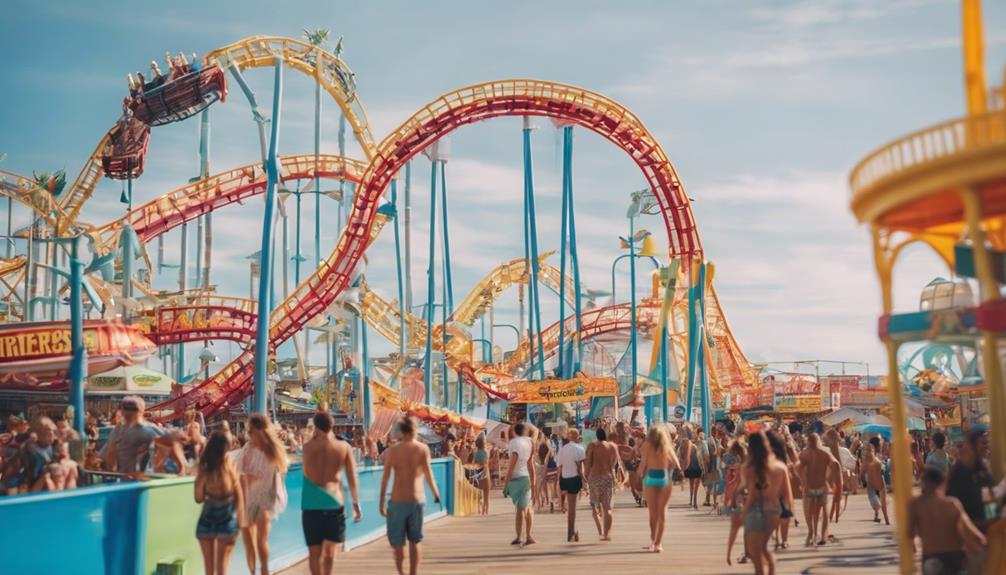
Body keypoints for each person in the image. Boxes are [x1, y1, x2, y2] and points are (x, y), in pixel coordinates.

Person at [379, 417, 442, 575]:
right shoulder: (422, 449)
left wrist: (381, 503)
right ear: (414, 430)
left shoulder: (392, 451)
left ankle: (401, 572)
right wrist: (436, 493)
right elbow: (428, 474)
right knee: (415, 540)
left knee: (398, 543)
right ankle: (413, 573)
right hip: (416, 499)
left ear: (402, 431)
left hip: (397, 501)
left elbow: (385, 478)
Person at [301, 412, 361, 575]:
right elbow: (352, 478)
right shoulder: (344, 447)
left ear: (316, 427)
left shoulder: (308, 448)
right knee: (330, 553)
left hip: (311, 504)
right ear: (332, 425)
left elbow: (306, 473)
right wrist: (356, 505)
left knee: (314, 554)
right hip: (334, 502)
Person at [909, 465, 986, 575]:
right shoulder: (952, 503)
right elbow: (967, 527)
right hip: (955, 556)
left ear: (924, 482)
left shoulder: (916, 504)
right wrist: (982, 539)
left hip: (931, 557)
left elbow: (910, 532)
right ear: (943, 482)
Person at [238, 414, 289, 575]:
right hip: (249, 496)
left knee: (261, 539)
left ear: (260, 430)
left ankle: (265, 570)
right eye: (249, 431)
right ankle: (253, 571)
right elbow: (241, 474)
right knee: (248, 539)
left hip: (267, 496)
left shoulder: (272, 448)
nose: (249, 434)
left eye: (251, 431)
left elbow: (283, 470)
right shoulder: (248, 448)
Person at [742, 431, 793, 575]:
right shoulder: (780, 467)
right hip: (773, 510)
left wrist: (744, 514)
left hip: (755, 510)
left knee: (754, 551)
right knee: (763, 547)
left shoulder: (749, 468)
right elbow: (787, 495)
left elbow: (752, 496)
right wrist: (788, 515)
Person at [195, 431, 244, 575]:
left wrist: (203, 479)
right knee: (223, 569)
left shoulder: (204, 469)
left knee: (209, 570)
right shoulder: (230, 467)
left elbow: (198, 498)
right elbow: (239, 498)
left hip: (207, 518)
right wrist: (240, 522)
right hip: (228, 518)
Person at [946, 429, 994, 575]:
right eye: (983, 443)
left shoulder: (984, 469)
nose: (986, 446)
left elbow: (990, 499)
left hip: (986, 535)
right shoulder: (958, 471)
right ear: (971, 445)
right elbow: (951, 506)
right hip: (966, 540)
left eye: (987, 443)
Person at [102, 396, 184, 476]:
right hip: (125, 479)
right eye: (126, 409)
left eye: (132, 409)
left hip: (134, 479)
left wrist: (180, 467)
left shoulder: (146, 428)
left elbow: (172, 441)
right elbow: (110, 453)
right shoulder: (118, 429)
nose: (128, 412)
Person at [638, 424, 680, 553]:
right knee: (662, 513)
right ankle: (658, 543)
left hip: (650, 478)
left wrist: (637, 480)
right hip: (664, 479)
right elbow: (676, 464)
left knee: (653, 513)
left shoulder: (646, 446)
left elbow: (642, 466)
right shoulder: (667, 447)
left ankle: (653, 540)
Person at [796, 432, 838, 546]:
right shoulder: (824, 453)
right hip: (819, 486)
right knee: (819, 511)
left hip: (813, 486)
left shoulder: (806, 453)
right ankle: (815, 533)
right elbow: (834, 465)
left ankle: (815, 533)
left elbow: (798, 468)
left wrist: (803, 482)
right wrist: (831, 480)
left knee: (811, 512)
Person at [584, 426, 622, 541]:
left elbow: (588, 464)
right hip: (607, 477)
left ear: (597, 436)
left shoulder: (592, 447)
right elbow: (615, 463)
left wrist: (585, 478)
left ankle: (601, 530)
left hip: (594, 478)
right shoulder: (613, 447)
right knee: (607, 507)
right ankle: (607, 534)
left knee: (595, 506)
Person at [502, 422, 536, 546]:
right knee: (525, 508)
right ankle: (528, 536)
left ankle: (520, 537)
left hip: (515, 479)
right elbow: (531, 464)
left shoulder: (513, 443)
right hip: (526, 477)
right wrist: (534, 483)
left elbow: (511, 466)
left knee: (520, 508)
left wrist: (505, 485)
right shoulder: (530, 442)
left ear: (515, 432)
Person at [556, 428, 586, 542]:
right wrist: (585, 481)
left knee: (571, 506)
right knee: (573, 508)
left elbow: (560, 465)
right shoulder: (580, 448)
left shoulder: (562, 449)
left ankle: (573, 531)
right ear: (577, 437)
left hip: (564, 479)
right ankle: (571, 532)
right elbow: (582, 466)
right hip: (574, 479)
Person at [724, 439, 748, 566]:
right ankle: (747, 553)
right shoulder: (749, 463)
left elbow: (742, 483)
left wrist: (733, 496)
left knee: (736, 527)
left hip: (742, 497)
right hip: (753, 498)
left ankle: (729, 555)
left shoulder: (743, 466)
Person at [863, 444, 890, 525]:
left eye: (870, 450)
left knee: (883, 504)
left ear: (873, 452)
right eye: (866, 450)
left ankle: (886, 520)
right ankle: (877, 515)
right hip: (871, 484)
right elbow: (862, 472)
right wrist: (863, 481)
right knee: (875, 502)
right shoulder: (865, 462)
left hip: (880, 485)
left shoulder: (877, 461)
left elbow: (884, 472)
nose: (868, 452)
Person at [680, 431, 702, 509]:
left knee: (691, 484)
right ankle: (694, 500)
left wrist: (683, 467)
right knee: (696, 485)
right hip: (696, 466)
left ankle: (691, 500)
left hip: (690, 467)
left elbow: (682, 458)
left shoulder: (683, 446)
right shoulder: (694, 445)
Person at [472, 434, 490, 515]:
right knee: (486, 493)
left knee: (478, 493)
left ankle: (478, 509)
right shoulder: (486, 452)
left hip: (478, 473)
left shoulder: (476, 452)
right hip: (485, 472)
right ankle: (485, 510)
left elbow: (474, 463)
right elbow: (486, 463)